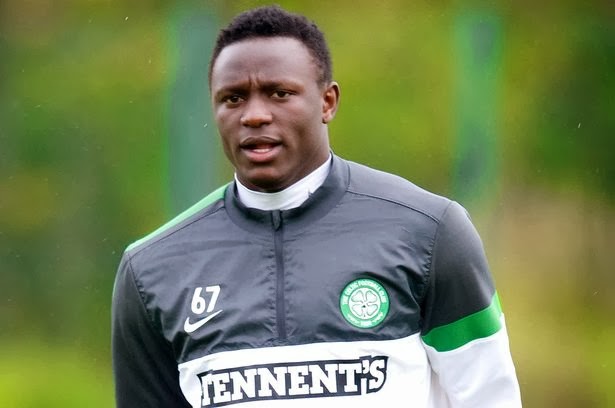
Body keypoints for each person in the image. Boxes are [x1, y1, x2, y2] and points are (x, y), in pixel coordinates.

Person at [112, 5, 522, 408]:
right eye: (233, 98)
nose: (254, 116)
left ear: (327, 102)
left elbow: (490, 398)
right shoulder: (152, 269)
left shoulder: (430, 233)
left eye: (279, 93)